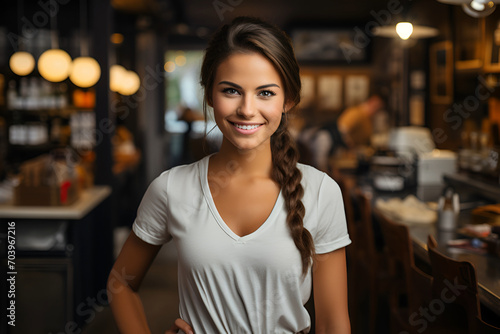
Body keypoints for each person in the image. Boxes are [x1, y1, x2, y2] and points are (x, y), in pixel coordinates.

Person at [107, 16, 351, 334]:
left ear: (288, 100)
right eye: (232, 90)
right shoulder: (171, 188)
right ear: (210, 95)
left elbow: (333, 323)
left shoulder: (321, 191)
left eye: (265, 93)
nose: (247, 109)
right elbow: (120, 283)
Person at [297, 95, 385, 172]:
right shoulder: (356, 113)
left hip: (332, 146)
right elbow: (343, 129)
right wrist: (350, 146)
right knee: (321, 166)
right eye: (377, 107)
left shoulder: (367, 118)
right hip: (325, 141)